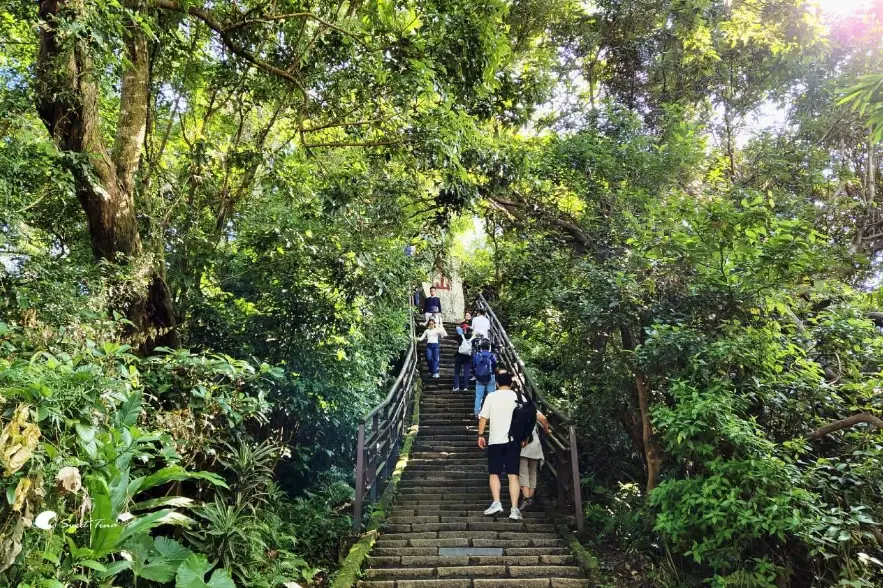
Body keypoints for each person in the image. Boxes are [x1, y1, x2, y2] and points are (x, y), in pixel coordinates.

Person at [477, 371, 522, 520]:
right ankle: (514, 509)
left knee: (494, 473)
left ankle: (497, 503)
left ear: (496, 383)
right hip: (513, 441)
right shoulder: (517, 396)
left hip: (495, 440)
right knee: (513, 475)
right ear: (511, 383)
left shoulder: (491, 396)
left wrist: (480, 435)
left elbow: (483, 417)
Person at [519, 410, 549, 511]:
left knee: (523, 472)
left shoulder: (515, 410)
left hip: (522, 445)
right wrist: (546, 429)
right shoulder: (532, 410)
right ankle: (530, 498)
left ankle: (526, 498)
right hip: (534, 445)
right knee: (532, 473)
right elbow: (543, 418)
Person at [472, 339, 497, 416]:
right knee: (491, 396)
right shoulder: (492, 356)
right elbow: (495, 366)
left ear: (481, 347)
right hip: (491, 376)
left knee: (479, 396)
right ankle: (491, 413)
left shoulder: (477, 355)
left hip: (479, 377)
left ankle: (477, 413)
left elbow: (474, 366)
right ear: (489, 347)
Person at [453, 326, 474, 392]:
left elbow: (455, 338)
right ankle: (465, 387)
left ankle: (456, 387)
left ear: (465, 331)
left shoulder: (461, 336)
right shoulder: (473, 338)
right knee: (466, 372)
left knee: (457, 372)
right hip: (468, 357)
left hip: (459, 356)